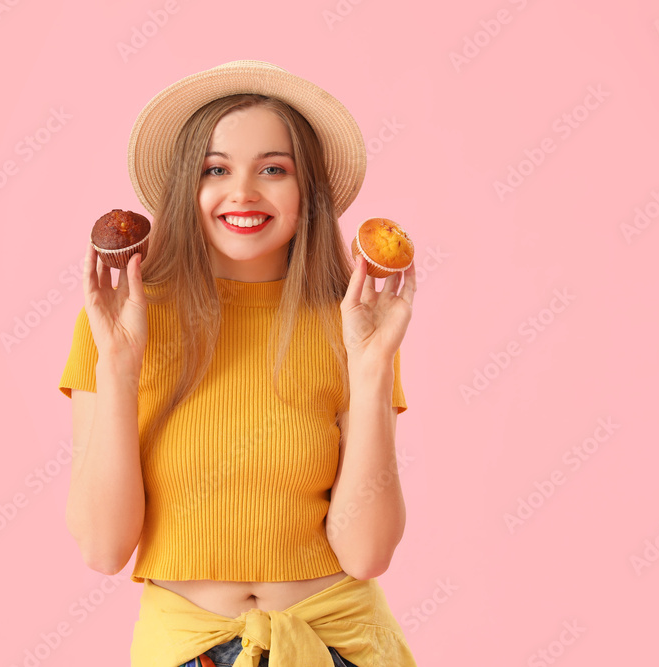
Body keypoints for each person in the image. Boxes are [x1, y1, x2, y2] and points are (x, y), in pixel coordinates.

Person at [58, 60, 418, 667]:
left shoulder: (352, 327)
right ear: (185, 189)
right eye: (215, 169)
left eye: (273, 169)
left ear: (309, 192)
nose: (244, 192)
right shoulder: (119, 324)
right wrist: (119, 367)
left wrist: (372, 365)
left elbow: (367, 554)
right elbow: (102, 547)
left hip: (336, 646)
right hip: (183, 651)